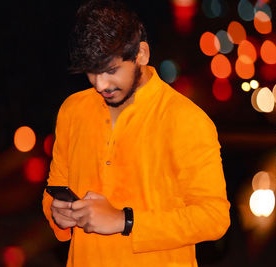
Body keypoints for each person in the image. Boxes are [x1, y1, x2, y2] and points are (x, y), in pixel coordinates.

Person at [42, 0, 230, 266]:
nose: (100, 85)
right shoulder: (73, 110)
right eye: (91, 73)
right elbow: (55, 187)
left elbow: (214, 217)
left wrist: (125, 221)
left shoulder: (186, 120)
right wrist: (57, 214)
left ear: (141, 54)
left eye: (110, 70)